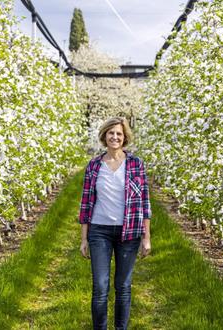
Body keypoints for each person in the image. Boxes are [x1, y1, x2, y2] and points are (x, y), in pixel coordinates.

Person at [79, 117, 151, 330]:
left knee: (123, 286)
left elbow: (145, 202)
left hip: (128, 232)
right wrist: (84, 238)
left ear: (124, 137)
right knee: (100, 287)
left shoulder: (135, 164)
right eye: (111, 133)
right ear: (104, 136)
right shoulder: (94, 165)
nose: (115, 137)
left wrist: (146, 237)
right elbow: (85, 204)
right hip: (99, 231)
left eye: (119, 133)